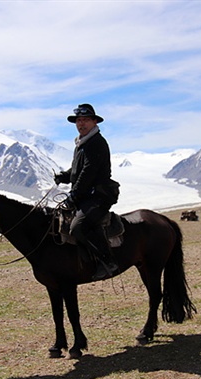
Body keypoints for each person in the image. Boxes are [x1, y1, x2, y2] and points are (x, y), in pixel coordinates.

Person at [54, 104, 121, 280]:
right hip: (86, 195)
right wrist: (64, 176)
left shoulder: (96, 142)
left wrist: (74, 195)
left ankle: (107, 261)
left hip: (99, 196)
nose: (81, 124)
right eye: (78, 120)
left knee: (78, 227)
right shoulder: (82, 144)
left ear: (94, 122)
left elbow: (88, 173)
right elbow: (77, 170)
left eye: (85, 120)